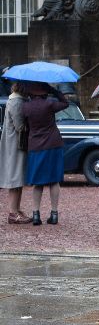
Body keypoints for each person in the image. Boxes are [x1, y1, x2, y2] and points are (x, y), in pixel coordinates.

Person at [21, 82, 68, 225]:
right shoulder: (49, 104)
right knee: (54, 180)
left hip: (35, 146)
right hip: (53, 144)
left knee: (38, 183)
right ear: (44, 92)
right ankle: (54, 214)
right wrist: (54, 90)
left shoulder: (26, 107)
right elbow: (65, 103)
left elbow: (25, 125)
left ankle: (36, 214)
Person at [0, 79, 30, 224]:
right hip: (15, 144)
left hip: (15, 143)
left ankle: (16, 209)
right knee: (15, 178)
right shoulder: (17, 102)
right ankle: (13, 212)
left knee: (18, 178)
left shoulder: (16, 100)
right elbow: (19, 126)